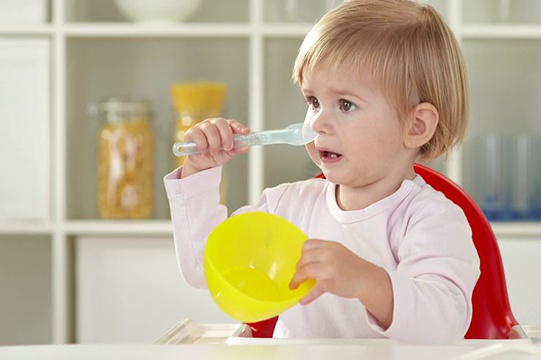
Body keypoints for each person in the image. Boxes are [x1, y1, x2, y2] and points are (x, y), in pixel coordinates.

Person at [164, 0, 479, 344]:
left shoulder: (431, 219)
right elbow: (206, 269)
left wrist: (365, 280)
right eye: (313, 101)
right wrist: (200, 173)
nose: (317, 123)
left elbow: (444, 324)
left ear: (416, 126)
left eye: (345, 105)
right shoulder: (286, 206)